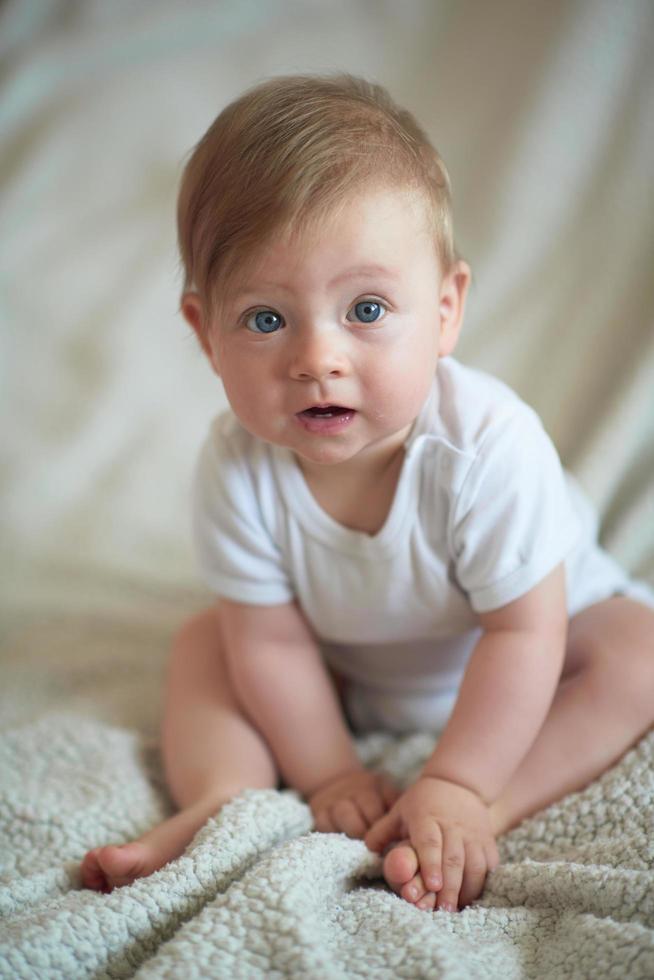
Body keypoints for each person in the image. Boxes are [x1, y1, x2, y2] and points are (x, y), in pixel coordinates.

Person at [81, 73, 654, 912]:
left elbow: (523, 631)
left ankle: (480, 809)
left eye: (369, 308)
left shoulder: (486, 448)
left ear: (447, 309)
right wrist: (331, 772)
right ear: (206, 335)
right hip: (346, 662)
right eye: (267, 319)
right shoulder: (236, 468)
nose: (318, 358)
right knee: (209, 644)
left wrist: (456, 778)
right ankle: (222, 798)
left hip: (530, 647)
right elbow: (272, 646)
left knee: (640, 655)